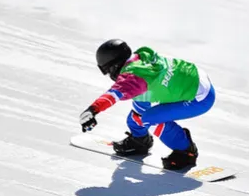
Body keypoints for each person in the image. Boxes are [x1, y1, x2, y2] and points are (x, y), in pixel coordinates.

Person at [78, 39, 215, 170]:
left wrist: (92, 110)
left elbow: (113, 95)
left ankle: (186, 151)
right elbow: (141, 91)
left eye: (108, 72)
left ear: (114, 67)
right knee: (139, 111)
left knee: (148, 119)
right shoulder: (140, 59)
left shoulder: (133, 77)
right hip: (194, 78)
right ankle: (140, 140)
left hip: (200, 98)